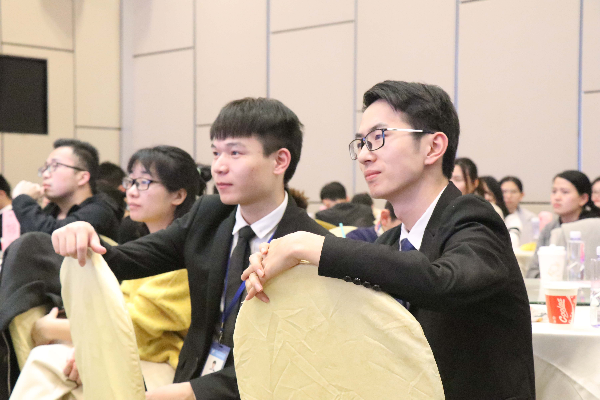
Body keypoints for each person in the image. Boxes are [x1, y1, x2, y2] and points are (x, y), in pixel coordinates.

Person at [243, 81, 535, 399]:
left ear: (433, 147)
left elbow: (441, 281)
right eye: (361, 143)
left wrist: (306, 244)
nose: (364, 156)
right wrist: (281, 273)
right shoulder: (389, 243)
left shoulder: (474, 218)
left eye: (379, 137)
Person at [51, 97, 330, 399]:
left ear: (280, 161)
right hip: (192, 374)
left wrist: (189, 393)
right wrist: (85, 236)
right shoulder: (209, 214)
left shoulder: (309, 246)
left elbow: (294, 359)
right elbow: (127, 259)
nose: (219, 166)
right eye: (216, 153)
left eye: (235, 153)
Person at [12, 145, 203, 396]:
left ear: (178, 195)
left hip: (158, 366)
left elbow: (133, 328)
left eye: (143, 183)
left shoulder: (180, 258)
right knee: (48, 361)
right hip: (124, 351)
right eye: (130, 182)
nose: (130, 192)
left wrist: (48, 329)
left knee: (45, 361)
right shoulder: (139, 246)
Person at [11, 139, 122, 240]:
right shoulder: (52, 210)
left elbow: (51, 239)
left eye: (55, 166)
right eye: (46, 167)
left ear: (82, 177)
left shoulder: (99, 211)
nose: (45, 174)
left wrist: (23, 200)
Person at [526, 170, 600, 278]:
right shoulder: (549, 228)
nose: (557, 197)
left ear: (583, 199)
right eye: (554, 191)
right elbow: (532, 272)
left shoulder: (594, 228)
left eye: (565, 192)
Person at [500, 176, 538, 245]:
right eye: (504, 192)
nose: (508, 196)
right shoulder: (492, 215)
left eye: (513, 192)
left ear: (521, 195)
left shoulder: (531, 218)